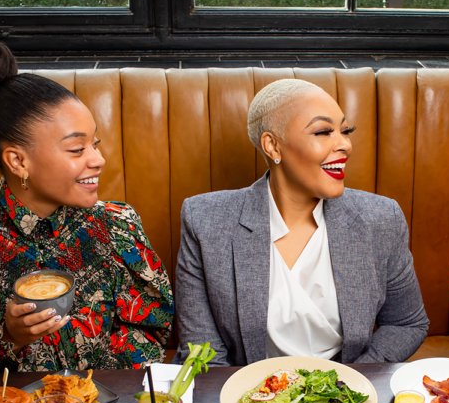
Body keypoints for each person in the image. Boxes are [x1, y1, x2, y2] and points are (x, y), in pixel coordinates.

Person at [0, 42, 174, 374]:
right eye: (76, 148)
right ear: (18, 161)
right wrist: (9, 338)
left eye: (95, 143)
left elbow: (153, 328)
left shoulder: (117, 224)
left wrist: (86, 392)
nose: (98, 160)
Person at [174, 79, 428, 366]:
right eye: (323, 131)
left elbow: (406, 323)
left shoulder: (381, 217)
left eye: (346, 131)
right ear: (272, 145)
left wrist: (346, 386)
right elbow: (203, 349)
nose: (345, 144)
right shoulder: (204, 219)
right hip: (244, 395)